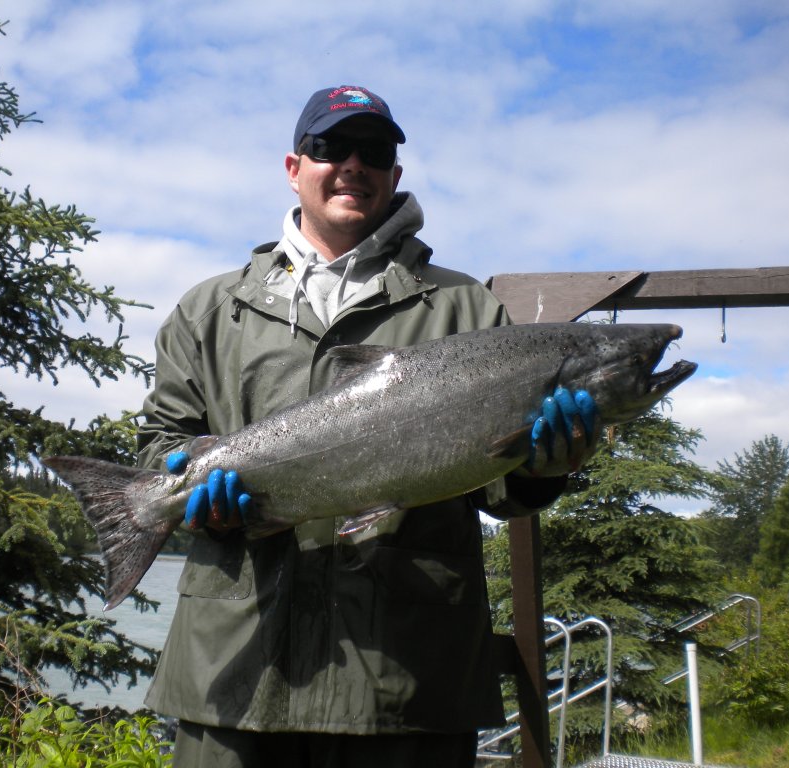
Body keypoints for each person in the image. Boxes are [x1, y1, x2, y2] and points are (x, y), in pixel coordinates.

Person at [136, 85, 597, 768]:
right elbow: (160, 449)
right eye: (330, 147)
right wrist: (196, 503)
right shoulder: (208, 310)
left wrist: (543, 466)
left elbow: (497, 492)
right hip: (234, 674)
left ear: (395, 175)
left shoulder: (466, 308)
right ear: (295, 167)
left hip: (409, 686)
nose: (353, 164)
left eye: (374, 151)